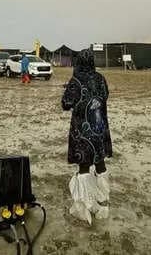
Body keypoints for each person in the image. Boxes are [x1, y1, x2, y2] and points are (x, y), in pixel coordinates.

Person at [61, 48, 112, 224]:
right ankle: (103, 203)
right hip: (99, 130)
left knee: (84, 168)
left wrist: (69, 89)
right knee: (100, 164)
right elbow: (105, 96)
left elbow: (66, 104)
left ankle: (85, 208)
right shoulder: (100, 78)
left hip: (82, 133)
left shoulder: (76, 80)